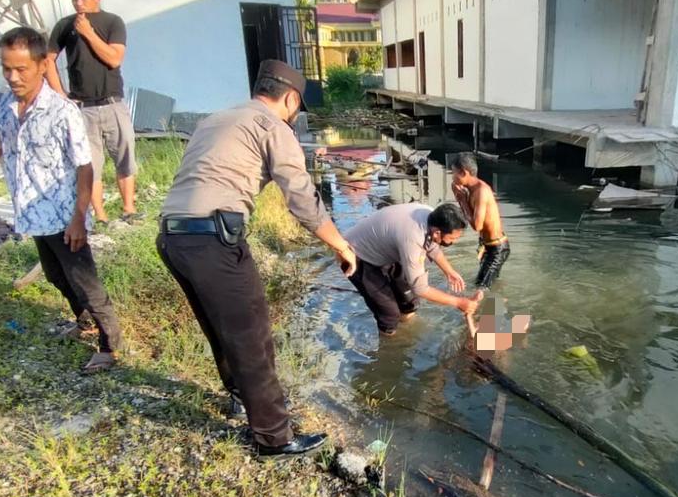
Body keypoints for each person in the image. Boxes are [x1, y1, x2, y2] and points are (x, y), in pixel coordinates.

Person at [158, 60, 357, 457]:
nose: (296, 116)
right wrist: (340, 244)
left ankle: (240, 397)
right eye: (298, 109)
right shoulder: (273, 127)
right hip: (213, 239)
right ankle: (274, 437)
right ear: (290, 98)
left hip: (171, 238)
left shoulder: (216, 118)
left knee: (222, 327)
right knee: (253, 339)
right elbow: (302, 199)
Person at [0, 27, 122, 374]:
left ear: (41, 65)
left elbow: (85, 167)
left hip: (65, 216)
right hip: (33, 214)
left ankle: (111, 345)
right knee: (55, 276)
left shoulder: (62, 111)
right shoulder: (6, 105)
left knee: (85, 281)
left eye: (21, 69)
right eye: (6, 69)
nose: (13, 77)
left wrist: (80, 216)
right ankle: (84, 322)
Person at [46, 0, 139, 224]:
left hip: (112, 102)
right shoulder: (65, 25)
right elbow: (48, 60)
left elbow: (114, 58)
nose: (78, 3)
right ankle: (100, 215)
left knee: (125, 154)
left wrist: (88, 33)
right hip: (81, 107)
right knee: (90, 163)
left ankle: (129, 209)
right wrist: (61, 96)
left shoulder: (112, 22)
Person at [344, 201, 483, 335]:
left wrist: (449, 271)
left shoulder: (431, 216)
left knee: (409, 301)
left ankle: (408, 331)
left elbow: (432, 245)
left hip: (386, 250)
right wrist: (458, 302)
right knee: (389, 314)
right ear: (437, 232)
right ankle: (391, 344)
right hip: (355, 255)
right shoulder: (413, 238)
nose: (454, 242)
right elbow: (420, 288)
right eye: (452, 238)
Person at [449, 153, 509, 288]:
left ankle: (493, 307)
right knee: (489, 285)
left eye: (454, 173)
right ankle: (498, 304)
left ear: (464, 173)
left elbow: (477, 225)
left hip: (496, 248)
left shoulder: (481, 191)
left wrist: (462, 200)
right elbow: (468, 216)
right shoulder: (470, 189)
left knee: (481, 288)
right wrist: (460, 199)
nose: (452, 177)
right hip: (486, 245)